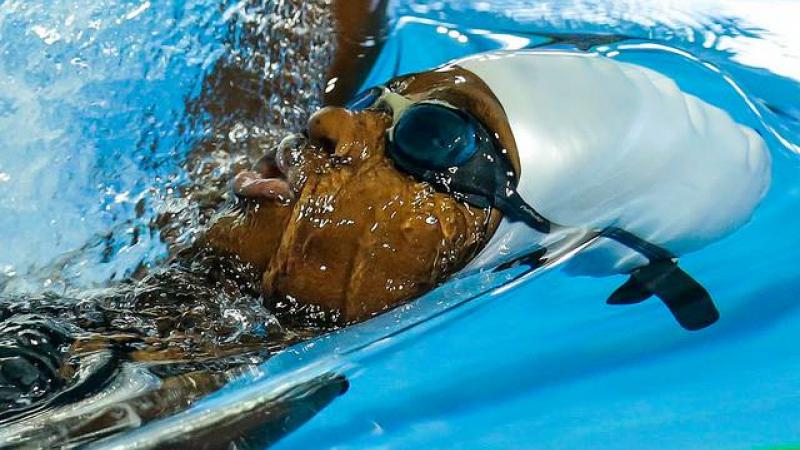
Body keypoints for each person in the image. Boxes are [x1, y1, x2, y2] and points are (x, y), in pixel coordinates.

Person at [0, 0, 771, 445]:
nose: (332, 123)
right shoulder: (212, 202)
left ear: (505, 246)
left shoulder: (186, 420)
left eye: (430, 138)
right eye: (383, 103)